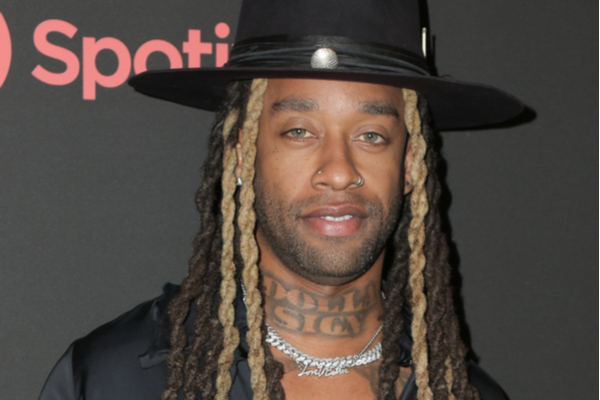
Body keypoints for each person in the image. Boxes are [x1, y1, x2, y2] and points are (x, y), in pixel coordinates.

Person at [38, 0, 523, 399]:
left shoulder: (461, 392)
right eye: (299, 131)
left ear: (411, 165)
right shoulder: (114, 380)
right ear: (241, 154)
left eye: (372, 135)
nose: (339, 171)